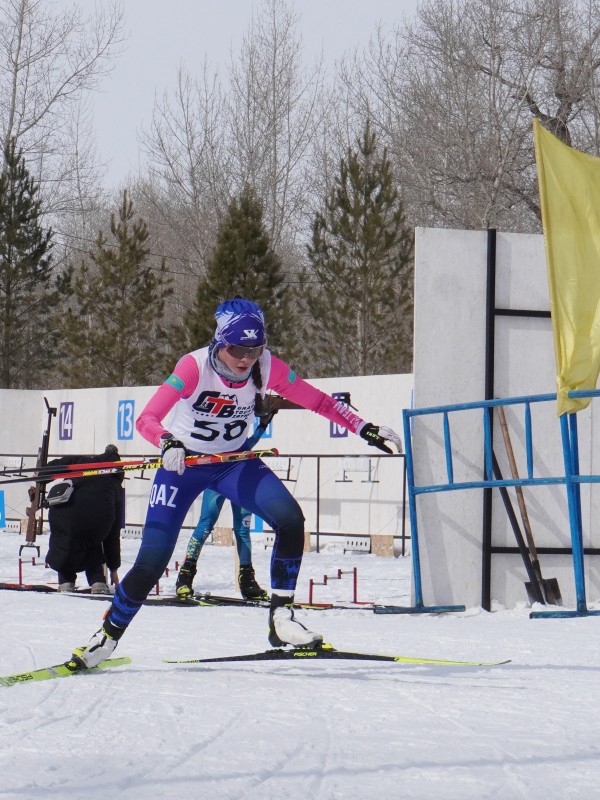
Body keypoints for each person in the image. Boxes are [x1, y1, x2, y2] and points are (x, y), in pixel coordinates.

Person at [71, 297, 402, 668]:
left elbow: (318, 401)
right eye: (236, 349)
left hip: (232, 462)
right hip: (184, 465)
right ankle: (107, 637)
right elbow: (148, 417)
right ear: (218, 343)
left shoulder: (267, 366)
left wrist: (363, 427)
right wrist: (166, 442)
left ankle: (281, 619)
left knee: (290, 519)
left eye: (254, 348)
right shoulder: (194, 366)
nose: (245, 359)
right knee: (151, 561)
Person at [175, 409, 276, 601]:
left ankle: (247, 580)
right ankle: (185, 576)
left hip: (241, 476)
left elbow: (247, 445)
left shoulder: (240, 418)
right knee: (206, 525)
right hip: (218, 476)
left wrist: (263, 424)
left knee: (243, 529)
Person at [45, 445, 124, 594]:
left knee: (63, 542)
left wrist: (43, 471)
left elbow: (60, 464)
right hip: (96, 523)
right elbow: (113, 534)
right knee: (92, 544)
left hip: (64, 513)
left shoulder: (83, 461)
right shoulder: (115, 486)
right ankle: (98, 582)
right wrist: (114, 567)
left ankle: (66, 582)